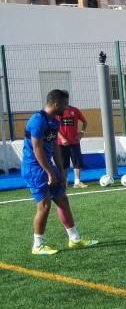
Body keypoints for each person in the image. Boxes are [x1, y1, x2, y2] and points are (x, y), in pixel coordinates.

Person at [21, 89, 98, 255]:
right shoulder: (37, 120)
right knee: (44, 205)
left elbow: (55, 146)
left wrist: (61, 171)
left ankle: (75, 239)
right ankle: (38, 245)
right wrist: (49, 172)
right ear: (55, 104)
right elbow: (37, 148)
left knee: (62, 200)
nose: (66, 107)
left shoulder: (54, 121)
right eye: (64, 103)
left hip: (48, 166)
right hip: (34, 169)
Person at [57, 92, 89, 188]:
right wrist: (62, 138)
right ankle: (64, 182)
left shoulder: (74, 110)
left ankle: (77, 182)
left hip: (74, 142)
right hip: (61, 143)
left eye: (66, 99)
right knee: (63, 164)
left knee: (77, 162)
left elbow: (85, 121)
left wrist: (82, 132)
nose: (65, 101)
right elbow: (54, 127)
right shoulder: (57, 112)